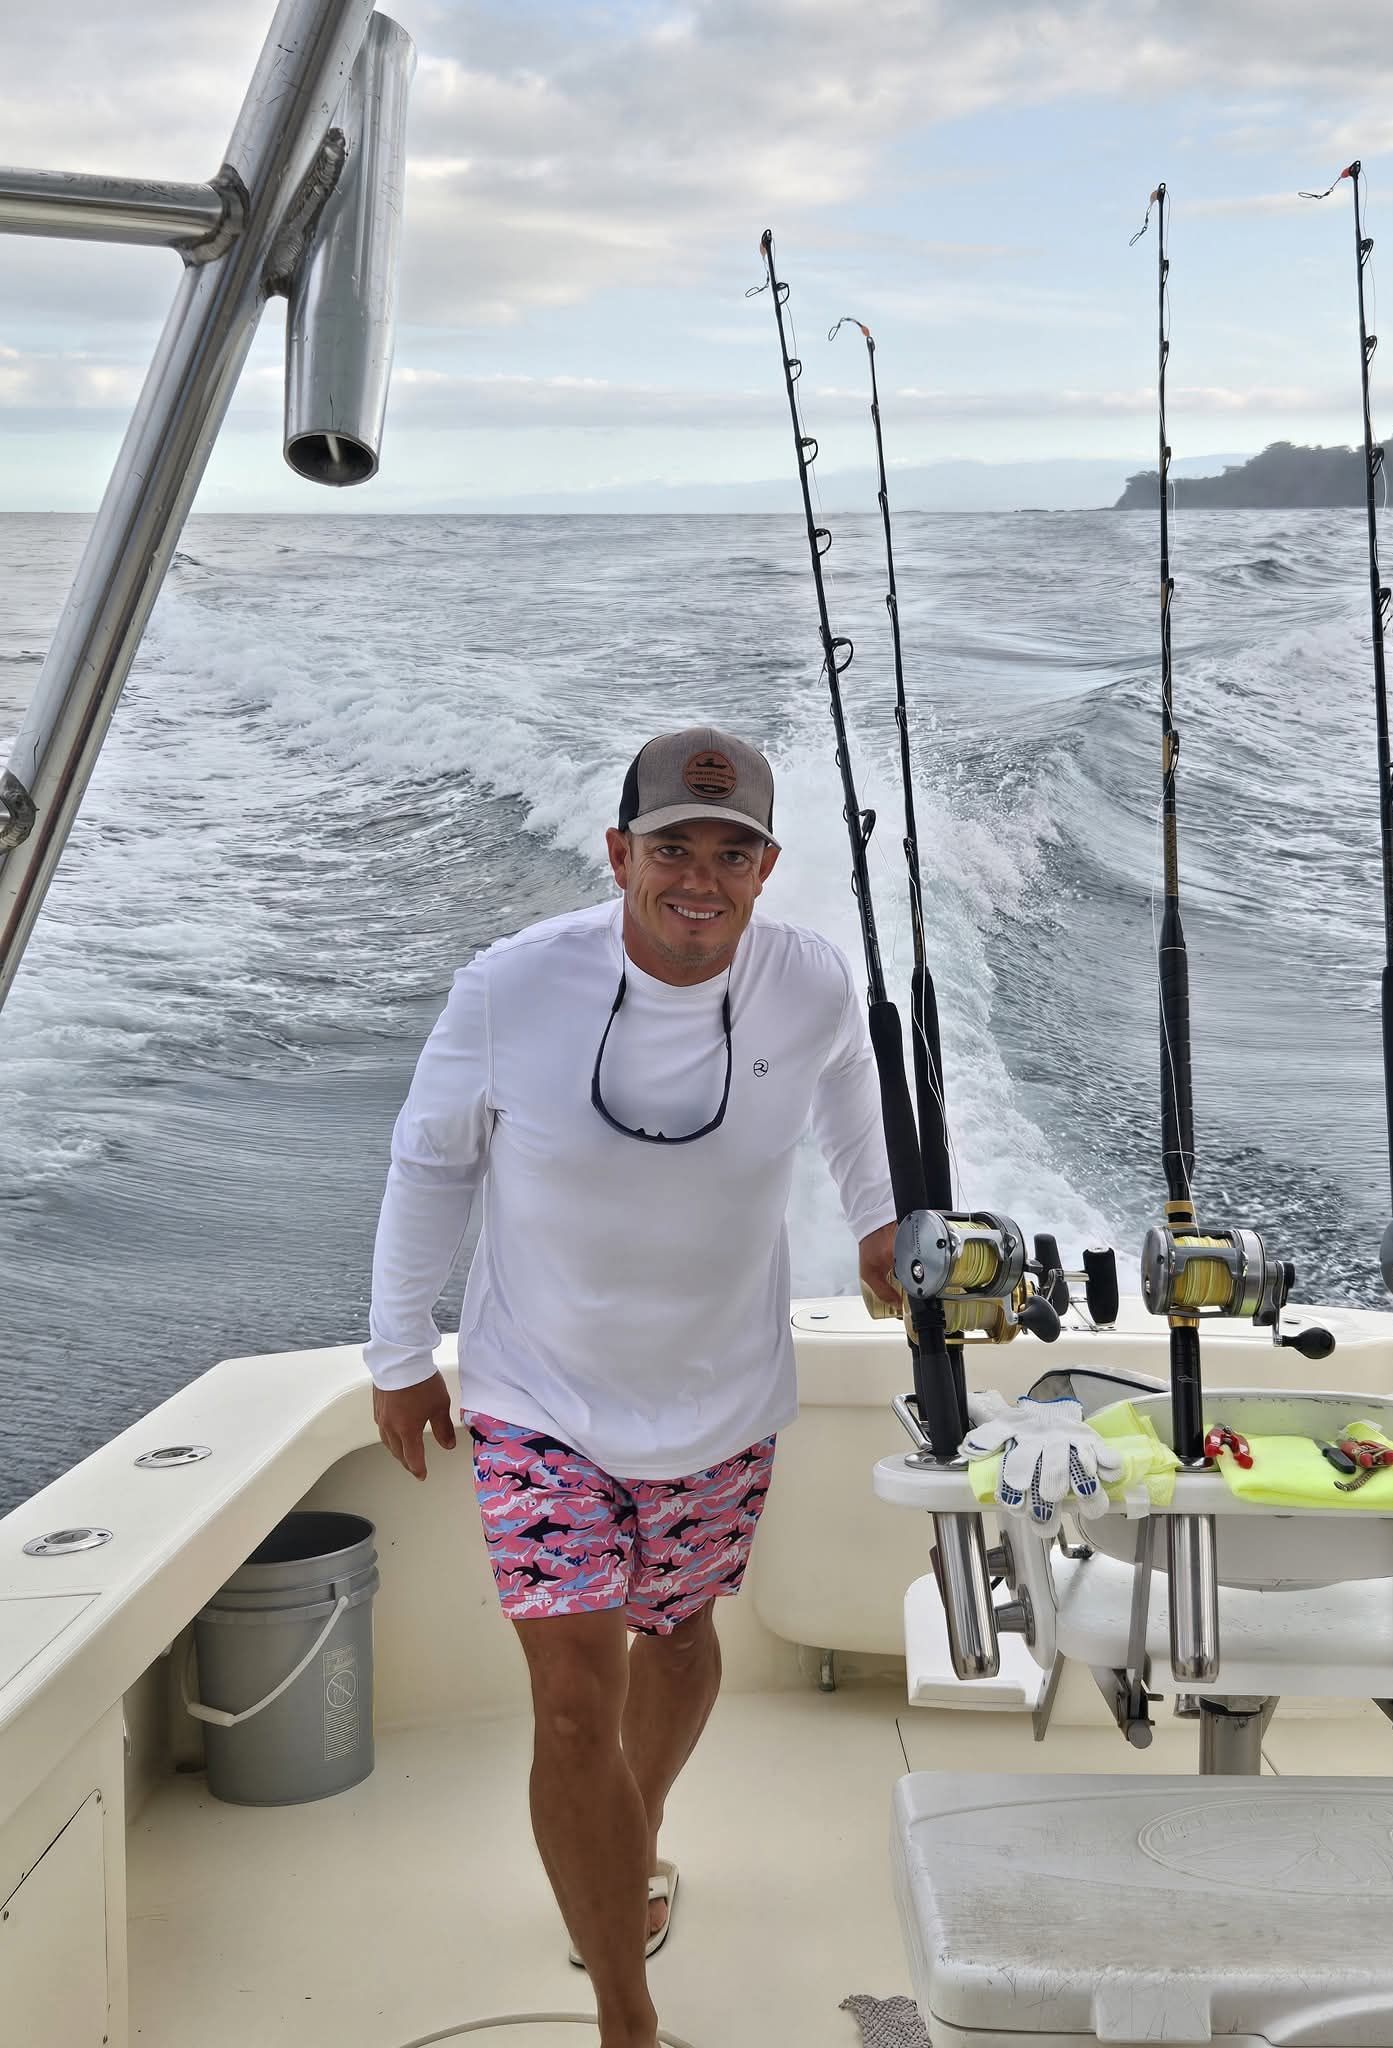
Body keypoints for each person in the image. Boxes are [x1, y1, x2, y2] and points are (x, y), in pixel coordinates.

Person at [363, 726, 898, 2048]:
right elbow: (431, 1164)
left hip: (721, 1399)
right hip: (539, 1397)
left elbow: (849, 1088)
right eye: (672, 849)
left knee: (680, 1637)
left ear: (768, 869)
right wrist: (396, 1355)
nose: (700, 878)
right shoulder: (509, 988)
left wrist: (885, 1221)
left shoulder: (810, 983)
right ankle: (626, 2016)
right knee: (568, 1700)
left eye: (732, 851)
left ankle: (632, 1838)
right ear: (619, 855)